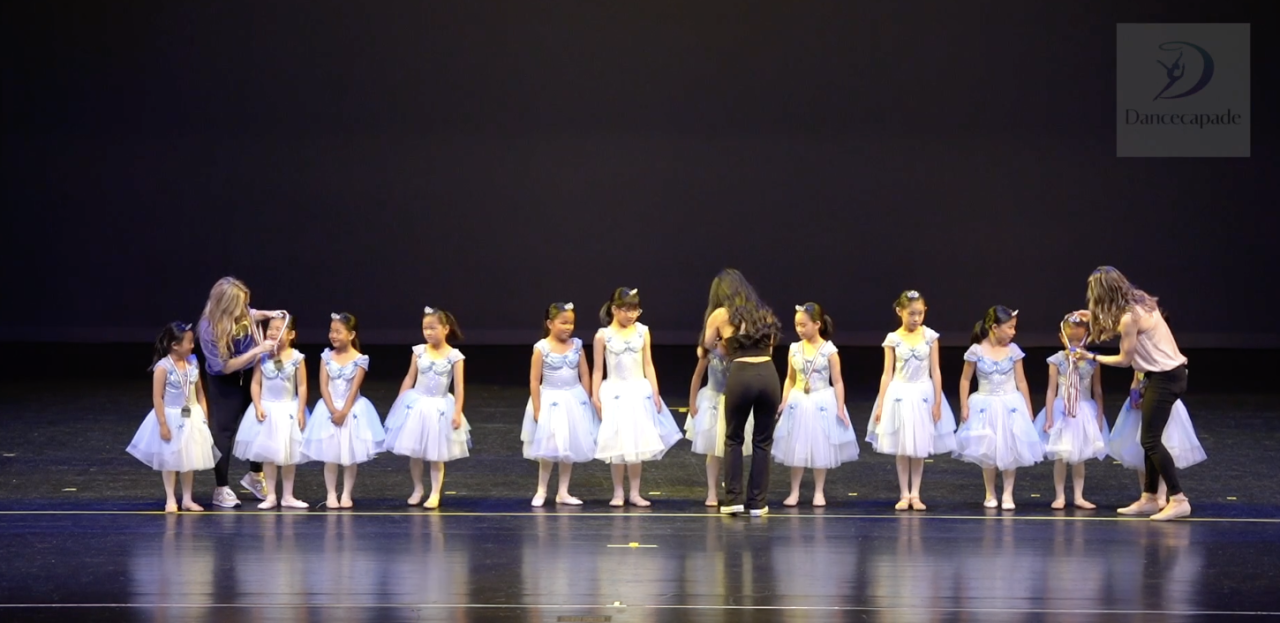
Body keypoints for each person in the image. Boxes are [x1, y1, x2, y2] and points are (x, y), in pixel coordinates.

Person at [1071, 266, 1192, 521]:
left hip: (1166, 378)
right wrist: (1093, 316)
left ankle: (1178, 499)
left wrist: (1091, 357)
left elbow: (1124, 360)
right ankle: (1149, 498)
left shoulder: (1129, 317)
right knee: (1148, 439)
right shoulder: (1142, 301)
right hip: (1163, 376)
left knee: (1150, 440)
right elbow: (1121, 322)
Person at [196, 276, 283, 508]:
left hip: (250, 375)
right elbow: (223, 367)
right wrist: (257, 351)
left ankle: (255, 475)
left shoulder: (243, 312)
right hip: (226, 380)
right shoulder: (208, 329)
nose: (246, 308)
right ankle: (221, 488)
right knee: (224, 432)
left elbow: (252, 314)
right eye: (241, 304)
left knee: (259, 422)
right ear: (226, 305)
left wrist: (269, 313)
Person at [701, 269, 782, 517]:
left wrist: (724, 344)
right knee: (762, 442)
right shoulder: (764, 312)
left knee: (733, 438)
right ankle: (757, 503)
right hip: (768, 375)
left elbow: (707, 345)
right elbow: (770, 348)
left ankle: (733, 499)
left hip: (741, 375)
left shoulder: (720, 314)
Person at [866, 290, 956, 511]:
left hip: (923, 394)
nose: (916, 318)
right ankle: (904, 494)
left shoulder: (930, 336)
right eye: (911, 314)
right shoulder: (893, 339)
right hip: (900, 394)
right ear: (900, 312)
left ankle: (915, 493)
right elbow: (887, 373)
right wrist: (881, 404)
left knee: (919, 446)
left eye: (920, 313)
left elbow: (936, 370)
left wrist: (937, 402)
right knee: (902, 446)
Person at [592, 288, 683, 507]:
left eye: (636, 310)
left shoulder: (642, 331)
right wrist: (595, 397)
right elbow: (598, 369)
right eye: (627, 310)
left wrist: (655, 391)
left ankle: (635, 492)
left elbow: (648, 364)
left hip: (638, 392)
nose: (632, 315)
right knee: (617, 444)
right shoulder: (603, 335)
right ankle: (617, 492)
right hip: (615, 393)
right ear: (615, 309)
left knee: (637, 443)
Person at [953, 306, 1042, 510]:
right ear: (995, 327)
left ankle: (1008, 494)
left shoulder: (1013, 350)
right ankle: (990, 492)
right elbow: (965, 379)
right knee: (988, 449)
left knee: (1010, 447)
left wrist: (1028, 407)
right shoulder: (976, 351)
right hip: (985, 405)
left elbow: (1021, 381)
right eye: (1009, 327)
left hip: (1010, 405)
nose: (1013, 332)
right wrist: (964, 405)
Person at [383, 306, 471, 510]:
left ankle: (435, 492)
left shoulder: (455, 356)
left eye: (433, 328)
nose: (428, 332)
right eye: (425, 328)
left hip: (439, 407)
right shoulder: (419, 351)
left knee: (436, 454)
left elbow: (459, 387)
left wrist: (457, 412)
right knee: (415, 453)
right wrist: (400, 401)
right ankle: (417, 489)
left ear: (446, 329)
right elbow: (409, 377)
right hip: (418, 405)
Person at [772, 302, 858, 507]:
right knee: (797, 447)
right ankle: (794, 491)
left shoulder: (829, 350)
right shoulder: (794, 349)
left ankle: (819, 491)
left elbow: (838, 381)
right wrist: (784, 401)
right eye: (797, 325)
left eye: (803, 325)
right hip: (798, 400)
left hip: (821, 401)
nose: (799, 329)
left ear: (817, 324)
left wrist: (840, 407)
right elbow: (790, 378)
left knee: (821, 447)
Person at [126, 322, 218, 512]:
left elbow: (200, 393)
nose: (192, 345)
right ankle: (170, 499)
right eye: (189, 342)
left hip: (192, 416)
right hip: (171, 416)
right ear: (175, 345)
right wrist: (163, 424)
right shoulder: (163, 367)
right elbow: (157, 397)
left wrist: (204, 416)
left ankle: (187, 499)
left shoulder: (193, 362)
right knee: (170, 459)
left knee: (189, 459)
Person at [298, 312, 384, 508]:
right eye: (331, 331)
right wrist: (332, 410)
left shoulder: (360, 359)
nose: (333, 335)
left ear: (351, 334)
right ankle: (331, 494)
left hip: (351, 410)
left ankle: (346, 494)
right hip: (329, 409)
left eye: (338, 332)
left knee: (350, 456)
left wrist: (344, 412)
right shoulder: (326, 356)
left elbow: (354, 389)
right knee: (330, 456)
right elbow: (323, 386)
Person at [520, 302, 598, 507]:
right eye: (563, 323)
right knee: (549, 447)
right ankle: (541, 490)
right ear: (550, 323)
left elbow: (584, 373)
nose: (568, 327)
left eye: (571, 323)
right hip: (551, 400)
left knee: (568, 446)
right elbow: (534, 380)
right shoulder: (542, 348)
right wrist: (537, 408)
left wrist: (586, 398)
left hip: (573, 399)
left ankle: (563, 491)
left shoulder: (577, 346)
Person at [231, 314, 309, 510]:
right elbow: (255, 383)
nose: (273, 332)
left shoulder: (297, 358)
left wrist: (301, 410)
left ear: (291, 334)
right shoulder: (263, 356)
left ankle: (288, 496)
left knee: (289, 456)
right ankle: (271, 495)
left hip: (288, 409)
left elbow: (302, 386)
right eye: (270, 328)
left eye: (278, 329)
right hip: (267, 410)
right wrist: (258, 405)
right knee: (268, 455)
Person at [1032, 313, 1108, 510]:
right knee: (1060, 456)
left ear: (1087, 337)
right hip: (1062, 411)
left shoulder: (1093, 361)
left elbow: (1097, 391)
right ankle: (1059, 496)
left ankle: (1079, 496)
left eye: (1078, 339)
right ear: (1062, 337)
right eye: (1070, 340)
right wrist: (1049, 417)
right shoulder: (1057, 360)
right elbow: (1051, 390)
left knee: (1079, 457)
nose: (1075, 344)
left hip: (1084, 411)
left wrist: (1099, 416)